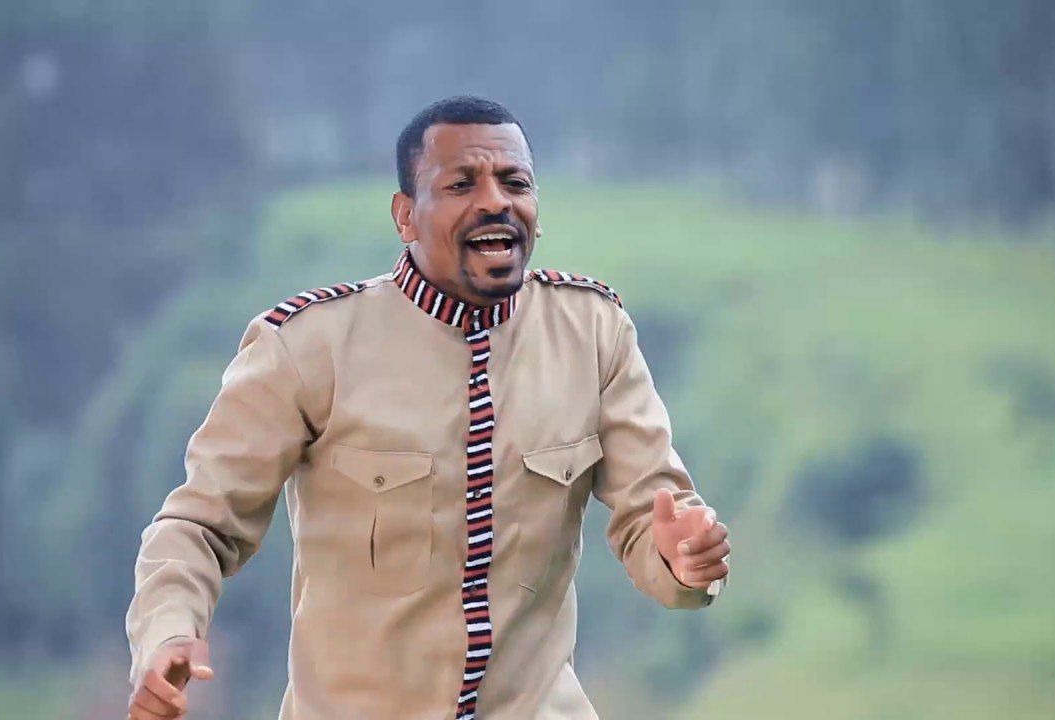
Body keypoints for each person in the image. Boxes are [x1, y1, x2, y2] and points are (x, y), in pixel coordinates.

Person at [125, 95, 731, 720]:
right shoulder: (307, 345)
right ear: (406, 216)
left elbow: (653, 517)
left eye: (515, 182)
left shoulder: (595, 331)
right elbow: (200, 524)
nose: (495, 201)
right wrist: (167, 632)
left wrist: (684, 562)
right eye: (462, 184)